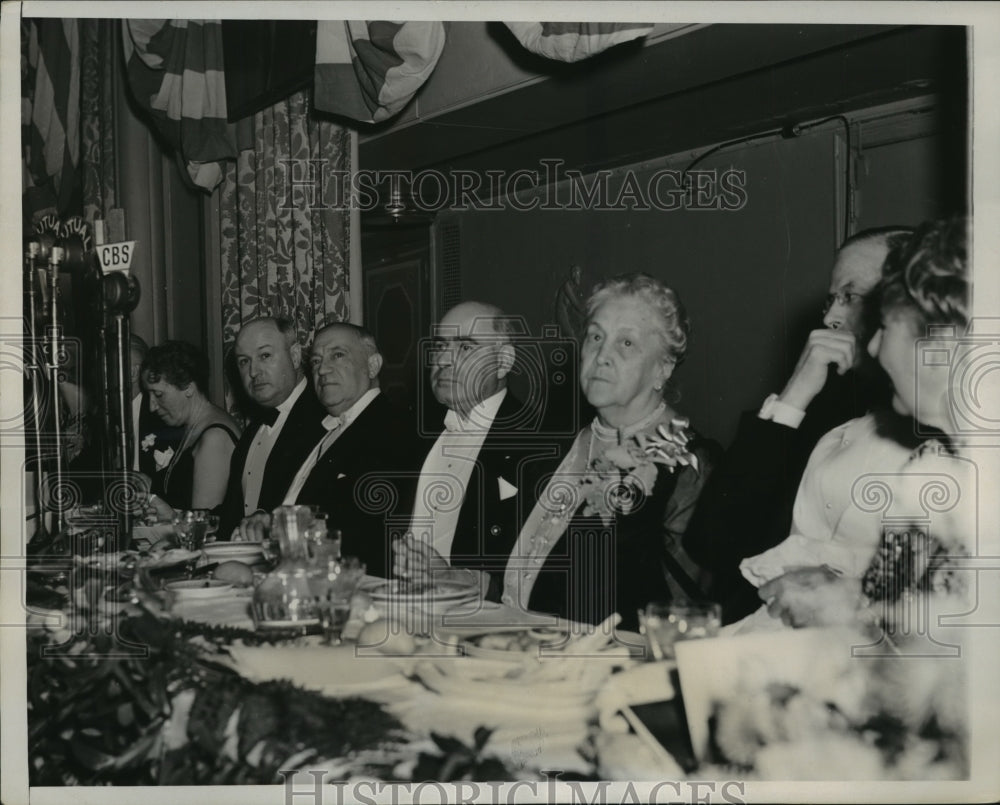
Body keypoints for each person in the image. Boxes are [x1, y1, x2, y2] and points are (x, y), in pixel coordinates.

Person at [395, 276, 720, 630]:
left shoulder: (689, 465)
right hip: (522, 654)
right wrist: (456, 578)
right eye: (595, 337)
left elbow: (694, 618)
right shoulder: (558, 450)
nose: (602, 356)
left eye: (626, 342)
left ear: (663, 368)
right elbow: (528, 581)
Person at [754, 216, 974, 634]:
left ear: (939, 345)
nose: (872, 344)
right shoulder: (931, 461)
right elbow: (896, 601)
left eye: (886, 326)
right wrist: (849, 595)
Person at [684, 227, 914, 622]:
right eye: (831, 299)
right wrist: (794, 396)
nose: (830, 317)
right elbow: (712, 544)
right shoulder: (827, 416)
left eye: (850, 296)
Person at [400, 301, 565, 599]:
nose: (444, 360)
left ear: (503, 361)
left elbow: (544, 576)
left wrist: (457, 579)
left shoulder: (538, 446)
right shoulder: (411, 434)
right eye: (439, 347)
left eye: (465, 348)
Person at [237, 322, 419, 576]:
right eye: (316, 361)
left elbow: (367, 527)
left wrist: (280, 528)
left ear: (373, 365)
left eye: (338, 355)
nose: (322, 369)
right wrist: (270, 520)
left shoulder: (392, 428)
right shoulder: (327, 430)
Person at [216, 317, 327, 539]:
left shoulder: (325, 421)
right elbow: (233, 516)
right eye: (244, 361)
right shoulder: (251, 431)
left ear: (295, 356)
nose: (254, 371)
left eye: (265, 356)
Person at [142, 341, 239, 513]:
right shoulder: (194, 427)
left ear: (188, 388)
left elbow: (204, 528)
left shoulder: (214, 438)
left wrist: (168, 514)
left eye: (158, 394)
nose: (152, 406)